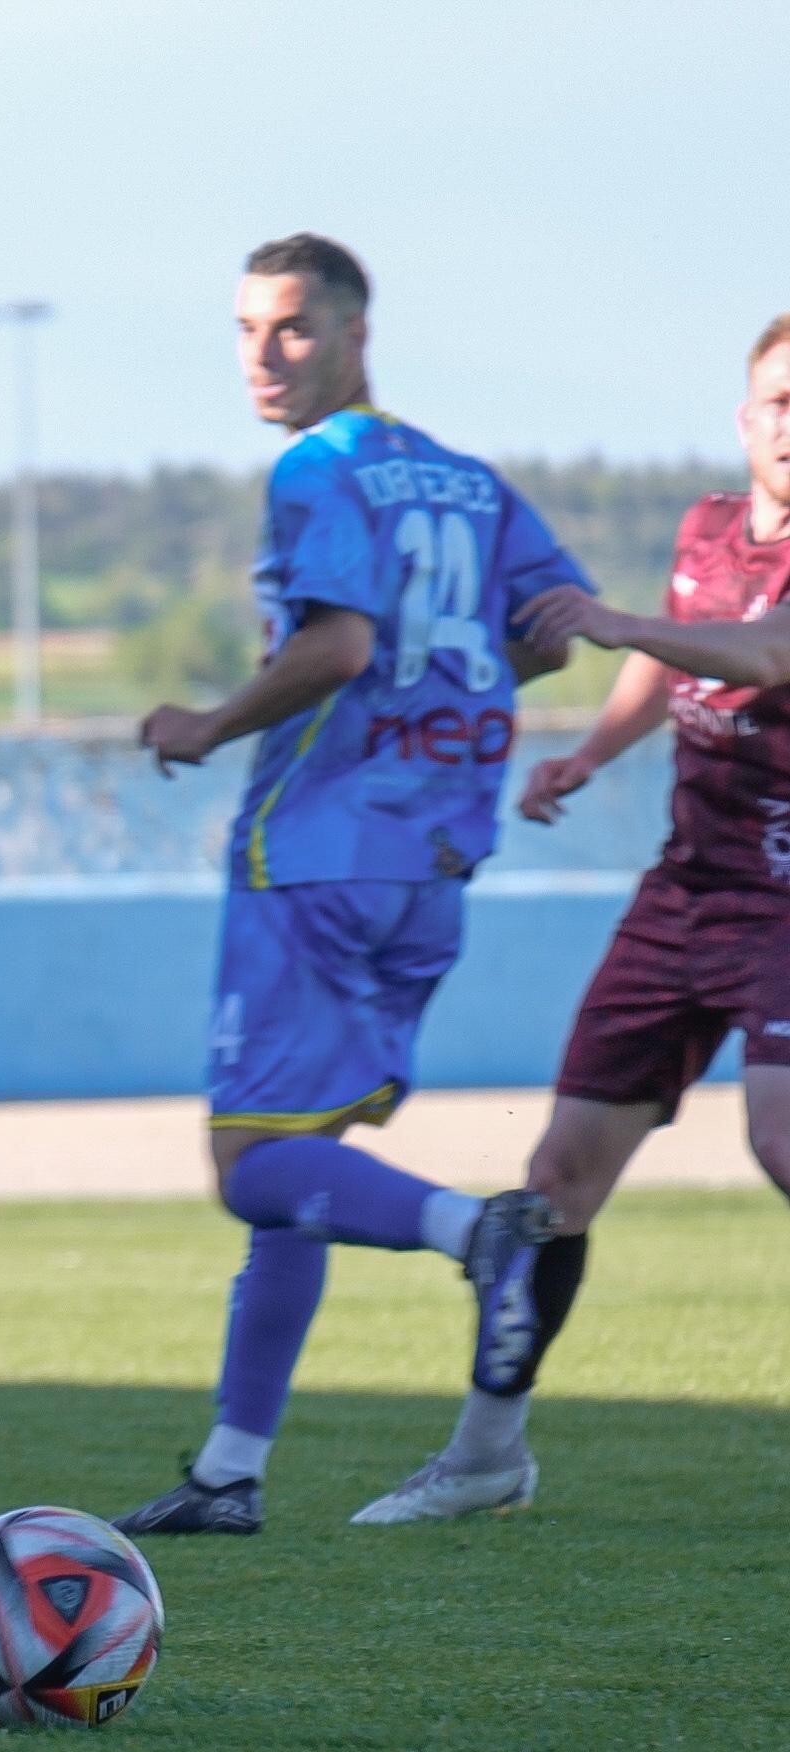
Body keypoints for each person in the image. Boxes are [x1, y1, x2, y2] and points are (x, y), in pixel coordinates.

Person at [117, 233, 587, 1536]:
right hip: (434, 858)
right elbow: (551, 629)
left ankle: (473, 1233)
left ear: (354, 334)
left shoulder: (321, 468)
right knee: (304, 1152)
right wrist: (444, 700)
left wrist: (211, 723)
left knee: (253, 1161)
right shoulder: (472, 484)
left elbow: (336, 641)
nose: (265, 357)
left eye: (292, 330)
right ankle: (229, 1468)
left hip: (315, 851)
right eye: (247, 330)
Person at [360, 316, 790, 1519]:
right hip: (685, 891)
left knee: (781, 1141)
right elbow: (673, 664)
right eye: (779, 400)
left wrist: (617, 622)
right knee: (557, 1174)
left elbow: (762, 653)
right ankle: (486, 1456)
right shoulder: (708, 527)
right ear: (746, 413)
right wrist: (594, 750)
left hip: (788, 900)